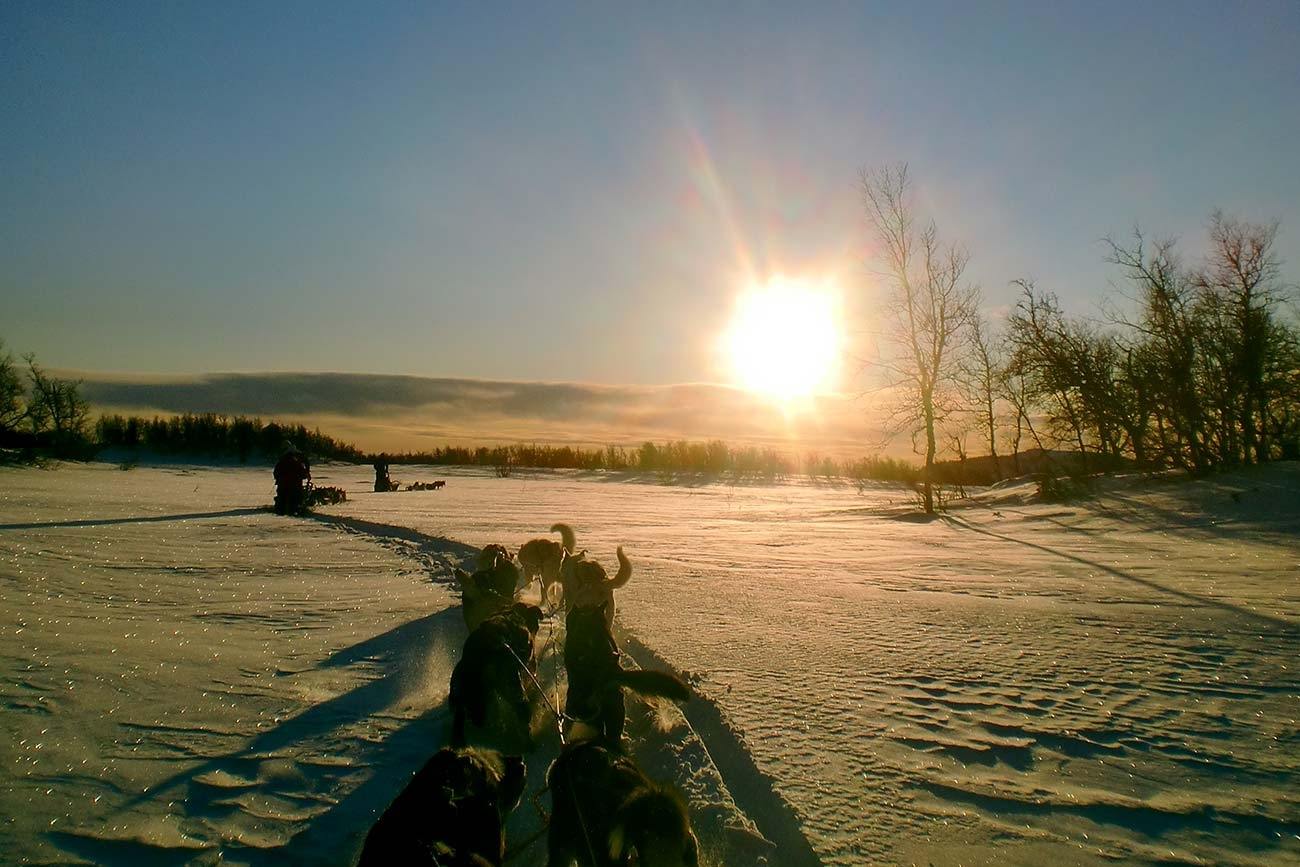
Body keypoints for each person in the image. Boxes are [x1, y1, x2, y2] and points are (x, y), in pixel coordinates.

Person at [274, 442, 311, 514]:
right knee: (295, 498)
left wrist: (278, 478)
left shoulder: (284, 460)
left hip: (285, 484)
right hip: (295, 485)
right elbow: (302, 470)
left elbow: (276, 471)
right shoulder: (297, 458)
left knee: (283, 499)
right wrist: (305, 473)